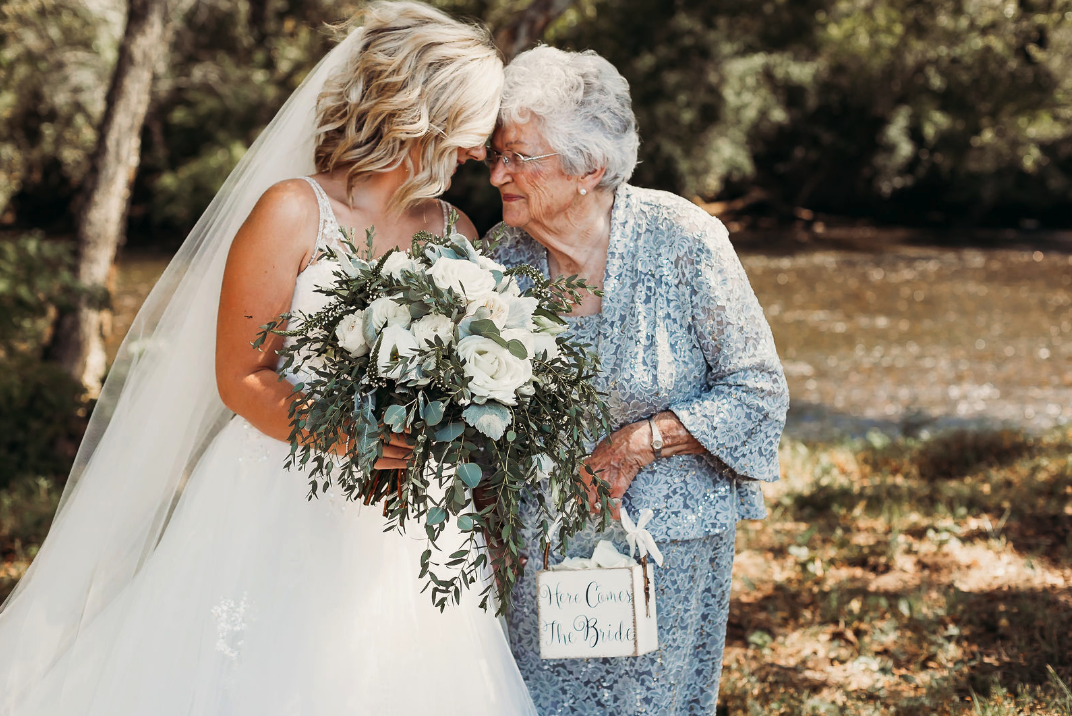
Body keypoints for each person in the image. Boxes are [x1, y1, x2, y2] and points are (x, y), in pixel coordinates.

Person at [0, 3, 536, 714]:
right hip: (285, 499)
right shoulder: (292, 211)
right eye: (478, 122)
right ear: (425, 110)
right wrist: (354, 437)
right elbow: (241, 378)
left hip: (415, 517)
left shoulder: (455, 230)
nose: (482, 150)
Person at [486, 46, 790, 714]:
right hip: (540, 556)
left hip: (670, 549)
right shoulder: (497, 260)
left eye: (519, 157)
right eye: (496, 155)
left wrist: (637, 443)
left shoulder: (683, 239)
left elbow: (757, 393)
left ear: (588, 167)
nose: (498, 175)